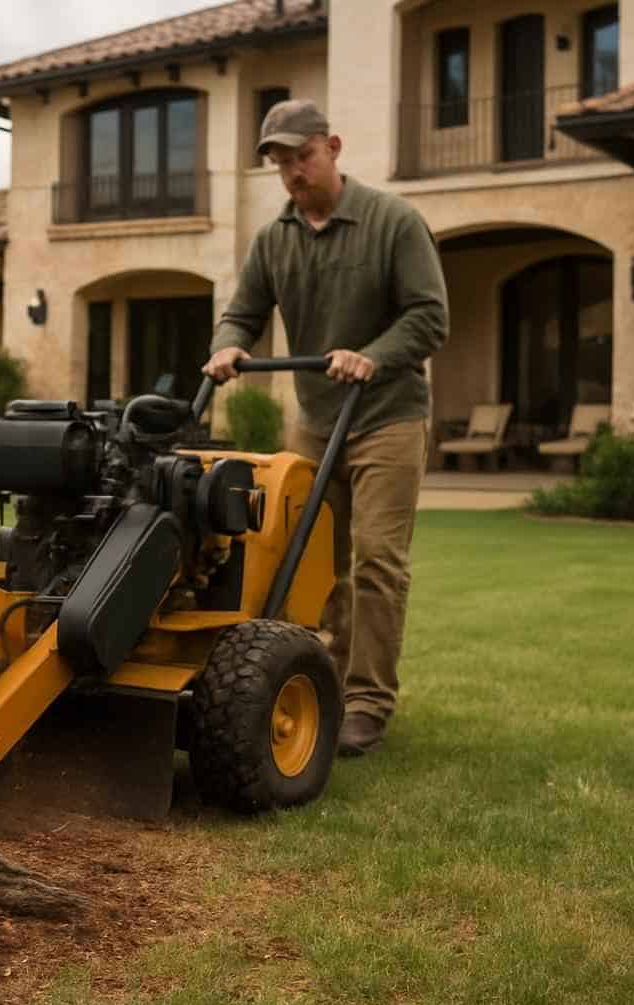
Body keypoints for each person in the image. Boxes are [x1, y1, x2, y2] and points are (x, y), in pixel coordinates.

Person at [202, 99, 448, 756]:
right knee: (308, 559)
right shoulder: (273, 240)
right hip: (315, 419)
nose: (293, 172)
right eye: (281, 162)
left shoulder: (392, 222)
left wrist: (373, 355)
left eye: (302, 156)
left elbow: (430, 317)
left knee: (378, 561)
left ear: (332, 148)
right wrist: (229, 346)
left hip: (387, 417)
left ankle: (368, 702)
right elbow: (241, 314)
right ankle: (325, 683)